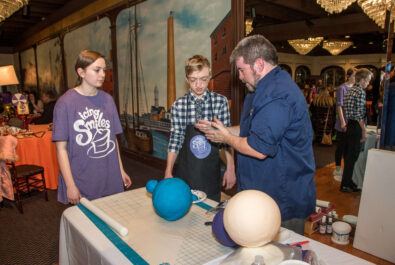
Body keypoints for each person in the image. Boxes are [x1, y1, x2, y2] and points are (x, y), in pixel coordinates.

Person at [195, 35, 316, 234]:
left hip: (282, 198)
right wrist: (223, 130)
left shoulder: (278, 94)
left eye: (242, 70)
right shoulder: (259, 90)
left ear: (259, 65)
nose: (240, 77)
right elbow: (252, 129)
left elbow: (258, 148)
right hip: (262, 194)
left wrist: (226, 138)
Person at [52, 50, 131, 204]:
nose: (102, 75)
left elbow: (113, 139)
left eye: (104, 70)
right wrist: (70, 185)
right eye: (96, 70)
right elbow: (61, 149)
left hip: (109, 175)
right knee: (87, 225)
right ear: (81, 72)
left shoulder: (108, 100)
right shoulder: (65, 103)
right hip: (82, 178)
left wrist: (120, 170)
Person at [165, 55, 236, 202]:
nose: (198, 85)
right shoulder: (178, 106)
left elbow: (227, 140)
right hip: (186, 173)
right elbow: (175, 141)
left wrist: (231, 168)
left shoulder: (220, 102)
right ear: (186, 79)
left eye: (203, 79)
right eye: (193, 80)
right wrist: (168, 171)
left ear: (209, 76)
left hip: (210, 174)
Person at [340, 68, 373, 193]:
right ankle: (346, 183)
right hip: (356, 127)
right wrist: (364, 131)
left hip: (350, 125)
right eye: (368, 80)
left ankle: (347, 182)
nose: (368, 83)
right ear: (363, 79)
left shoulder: (350, 91)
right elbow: (359, 115)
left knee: (350, 156)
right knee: (352, 156)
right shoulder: (359, 92)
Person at [334, 68, 355, 178]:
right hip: (343, 122)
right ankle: (337, 168)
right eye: (354, 76)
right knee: (341, 146)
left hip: (352, 122)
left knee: (349, 147)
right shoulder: (342, 88)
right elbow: (339, 106)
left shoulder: (355, 89)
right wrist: (342, 122)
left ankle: (347, 169)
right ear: (349, 76)